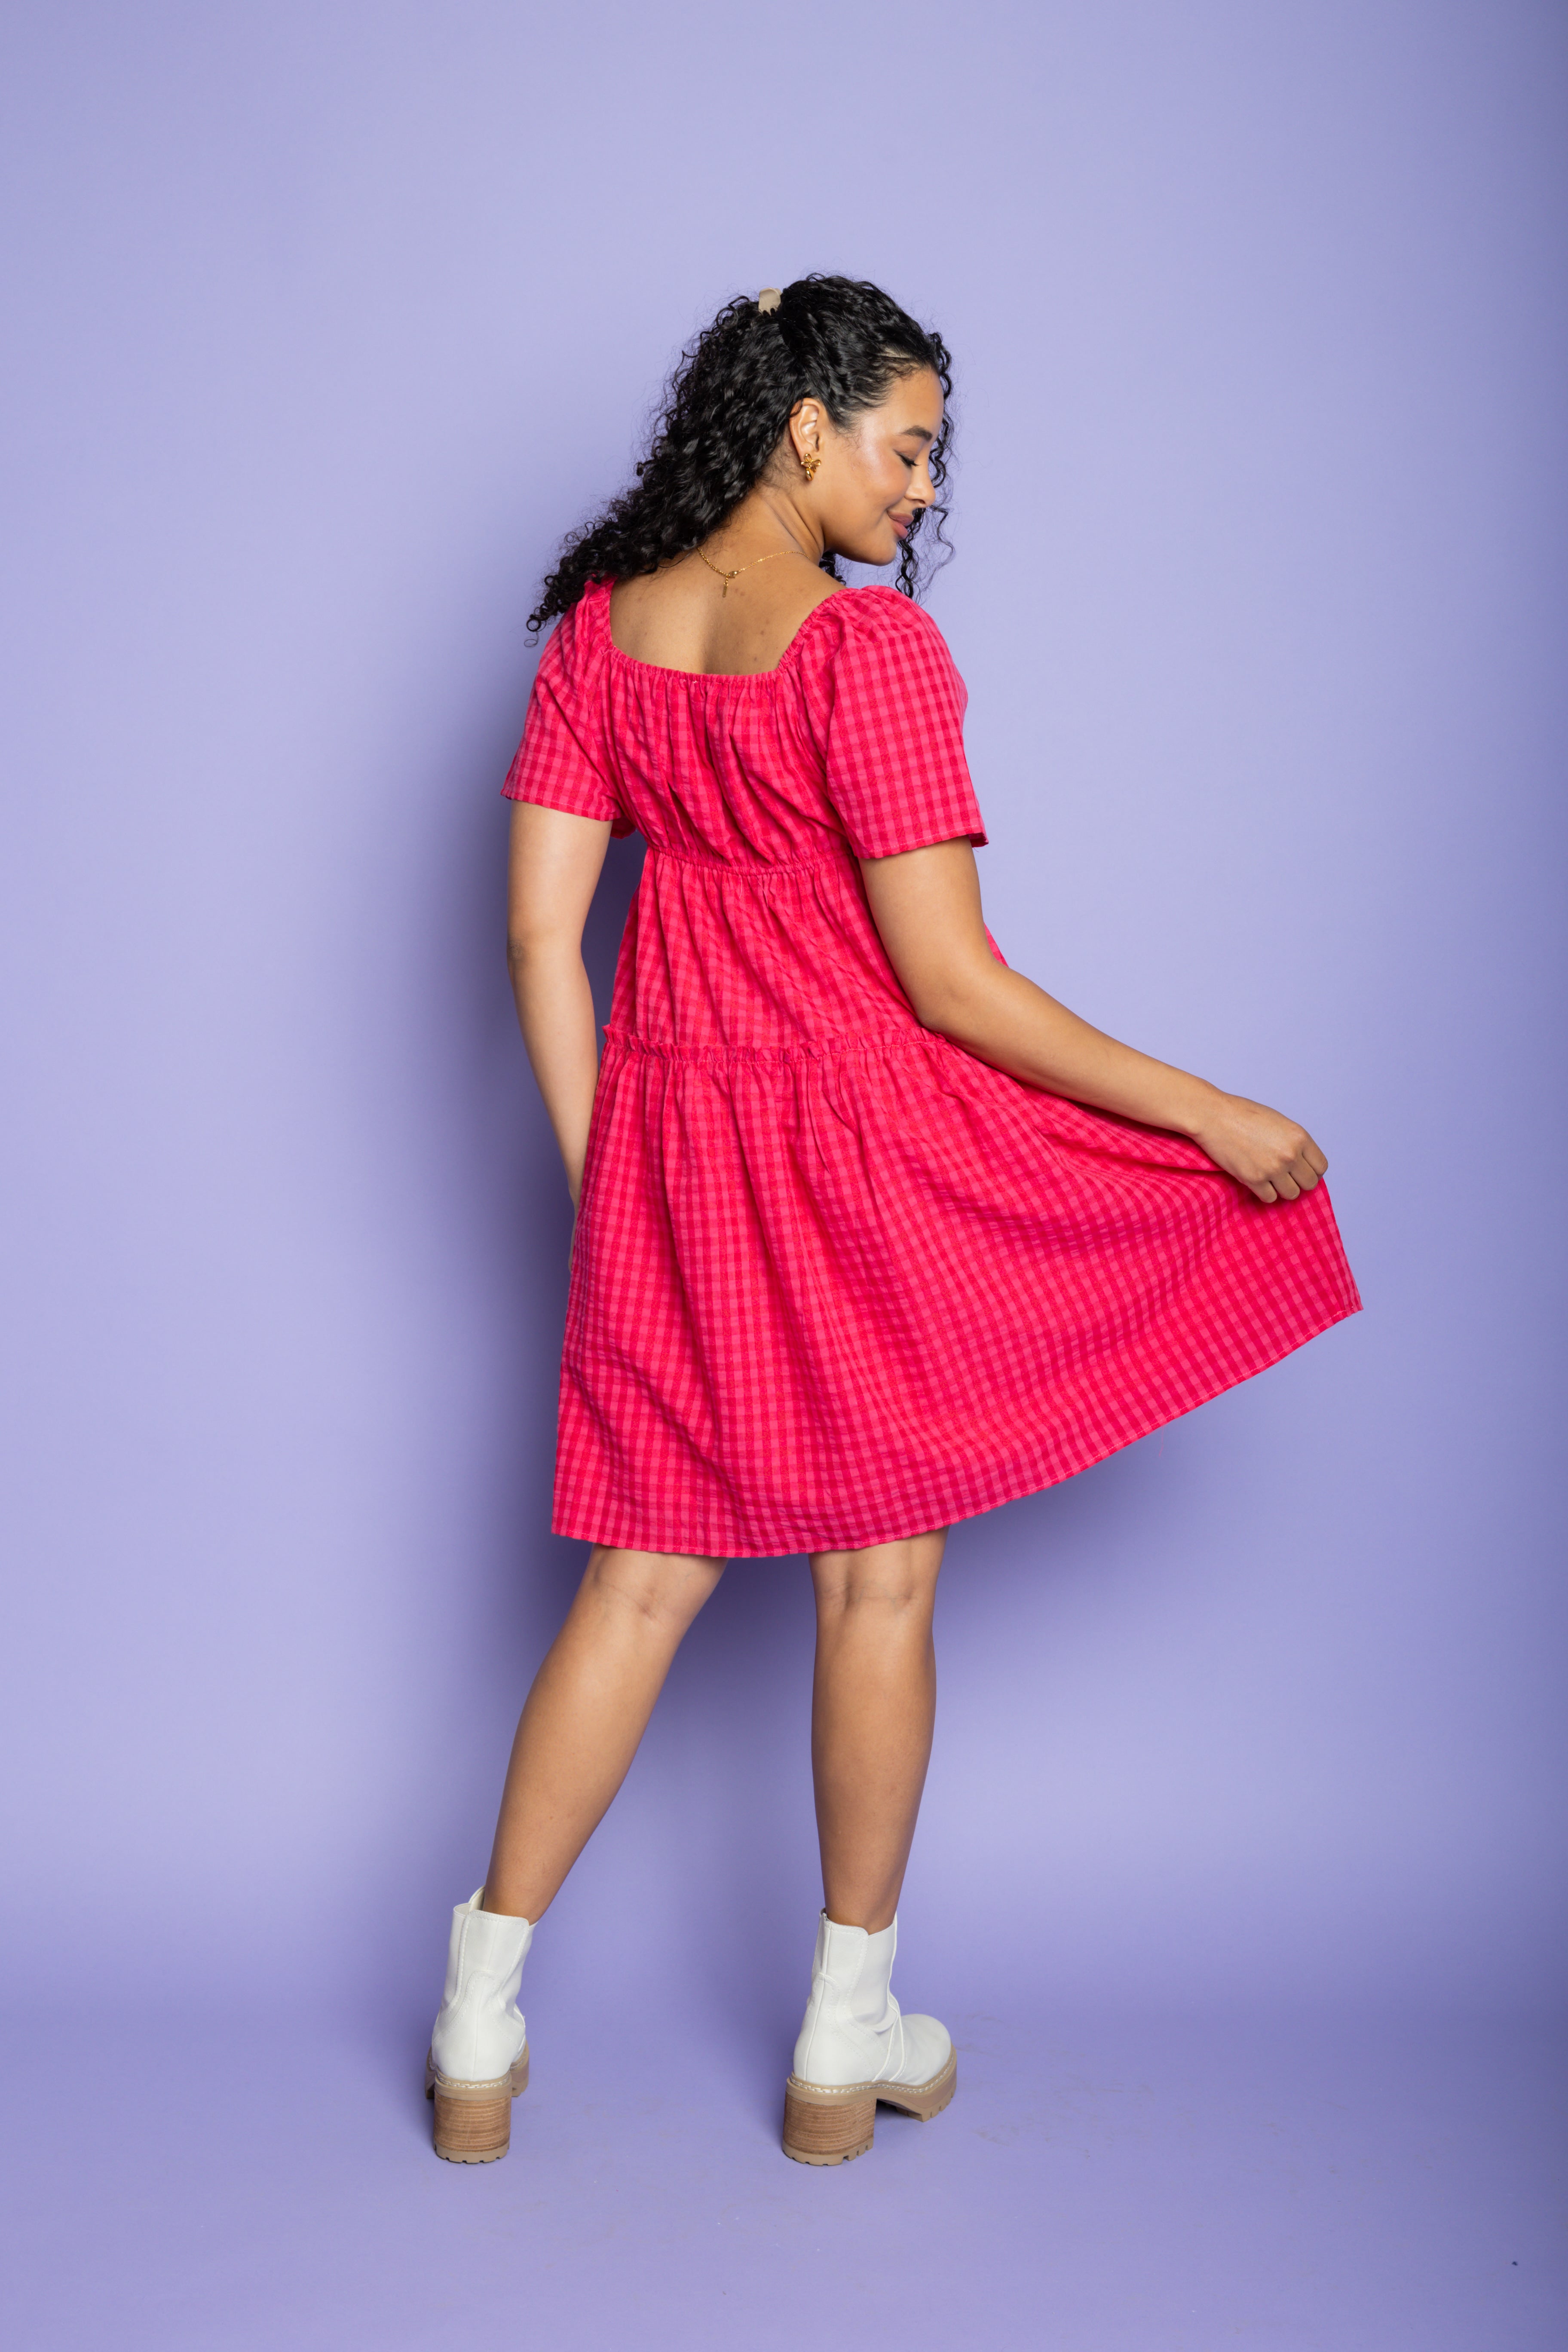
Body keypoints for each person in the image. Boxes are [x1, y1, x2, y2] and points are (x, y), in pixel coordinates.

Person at [423, 276, 1361, 2168]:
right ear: (807, 430)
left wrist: (619, 1174)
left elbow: (541, 937)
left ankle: (476, 2012)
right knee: (883, 1580)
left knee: (637, 1582)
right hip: (860, 1157)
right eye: (910, 447)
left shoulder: (601, 641)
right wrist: (1215, 1110)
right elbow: (954, 988)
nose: (925, 493)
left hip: (671, 1151)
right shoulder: (870, 662)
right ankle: (847, 2038)